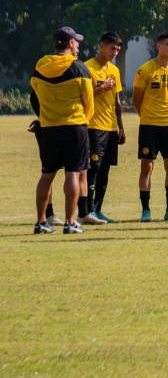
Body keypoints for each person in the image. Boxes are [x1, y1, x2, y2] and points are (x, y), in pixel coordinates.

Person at [30, 27, 94, 235]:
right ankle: (70, 222)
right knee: (73, 173)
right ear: (71, 44)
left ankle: (41, 222)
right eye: (77, 42)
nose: (78, 47)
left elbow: (35, 96)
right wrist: (84, 120)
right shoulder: (79, 68)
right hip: (74, 126)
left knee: (46, 175)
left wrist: (44, 117)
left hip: (48, 128)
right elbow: (89, 102)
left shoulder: (40, 65)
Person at [132, 32, 168, 222]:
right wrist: (146, 115)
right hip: (149, 126)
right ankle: (145, 210)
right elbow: (136, 99)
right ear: (158, 46)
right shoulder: (145, 70)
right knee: (147, 167)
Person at [84, 31, 126, 223]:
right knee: (93, 168)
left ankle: (98, 209)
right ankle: (86, 210)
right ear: (101, 46)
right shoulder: (87, 68)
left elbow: (117, 101)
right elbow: (82, 96)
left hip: (110, 127)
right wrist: (101, 88)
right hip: (93, 126)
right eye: (112, 48)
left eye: (117, 49)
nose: (115, 52)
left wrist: (121, 127)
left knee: (105, 169)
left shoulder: (114, 70)